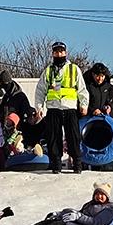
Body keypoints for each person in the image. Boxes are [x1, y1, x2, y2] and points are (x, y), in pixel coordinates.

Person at [33, 41, 88, 173]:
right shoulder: (48, 70)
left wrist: (84, 104)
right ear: (52, 53)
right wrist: (39, 108)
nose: (59, 54)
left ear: (65, 53)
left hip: (70, 108)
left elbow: (82, 89)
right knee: (53, 137)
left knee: (73, 137)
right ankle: (56, 164)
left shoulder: (74, 69)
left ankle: (77, 164)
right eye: (56, 52)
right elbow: (40, 90)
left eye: (61, 51)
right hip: (53, 108)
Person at [3, 182, 113, 225]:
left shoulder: (109, 210)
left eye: (102, 194)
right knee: (51, 220)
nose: (99, 196)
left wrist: (78, 217)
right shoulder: (91, 204)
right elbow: (81, 212)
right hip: (80, 224)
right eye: (97, 194)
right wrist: (60, 213)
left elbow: (96, 223)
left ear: (107, 196)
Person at [86, 62, 113, 130]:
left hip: (111, 125)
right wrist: (92, 111)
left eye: (102, 76)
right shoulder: (87, 89)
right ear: (93, 74)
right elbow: (82, 105)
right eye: (97, 76)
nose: (100, 79)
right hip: (91, 124)